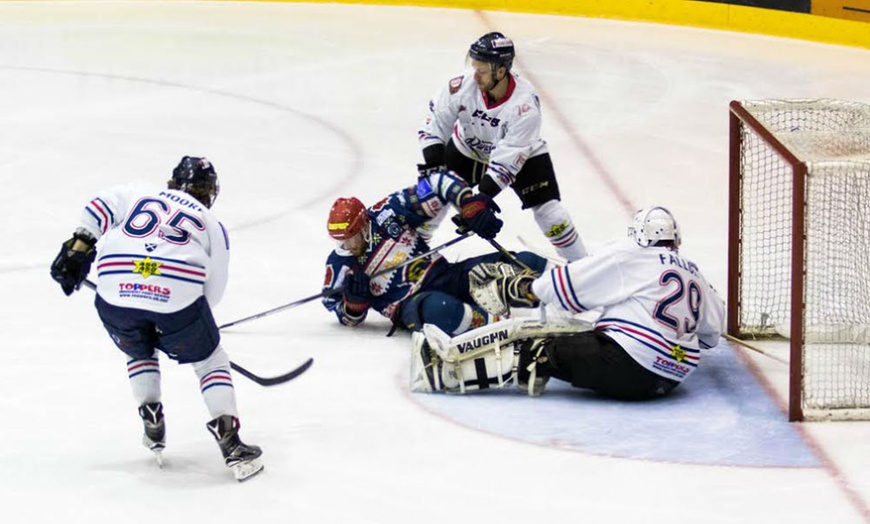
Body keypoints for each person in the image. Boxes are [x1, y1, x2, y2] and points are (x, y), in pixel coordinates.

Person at [49, 156, 263, 482]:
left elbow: (99, 205)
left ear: (172, 182)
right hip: (175, 297)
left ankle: (151, 418)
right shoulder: (211, 223)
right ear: (211, 192)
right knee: (210, 361)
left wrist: (81, 244)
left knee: (138, 349)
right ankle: (231, 443)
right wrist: (183, 329)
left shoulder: (140, 193)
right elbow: (212, 294)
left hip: (113, 292)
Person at [412, 206, 726, 400]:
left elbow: (572, 285)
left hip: (629, 365)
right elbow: (713, 334)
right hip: (670, 380)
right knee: (579, 338)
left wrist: (525, 287)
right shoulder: (694, 273)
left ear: (638, 235)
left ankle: (445, 373)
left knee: (537, 347)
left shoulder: (632, 254)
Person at [418, 31, 587, 263]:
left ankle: (583, 265)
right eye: (474, 66)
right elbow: (434, 123)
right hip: (465, 149)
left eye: (482, 70)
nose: (475, 75)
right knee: (431, 199)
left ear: (501, 70)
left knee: (551, 213)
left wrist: (481, 199)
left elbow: (506, 161)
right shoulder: (461, 86)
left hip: (524, 155)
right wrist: (435, 168)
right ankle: (412, 253)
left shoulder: (524, 106)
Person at [322, 165, 548, 337]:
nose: (348, 245)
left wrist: (470, 204)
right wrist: (353, 305)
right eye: (341, 240)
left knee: (525, 262)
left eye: (351, 237)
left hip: (445, 274)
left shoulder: (387, 212)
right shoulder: (338, 265)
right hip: (410, 304)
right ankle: (500, 329)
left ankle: (565, 287)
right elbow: (342, 313)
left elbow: (436, 182)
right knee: (440, 309)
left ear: (364, 226)